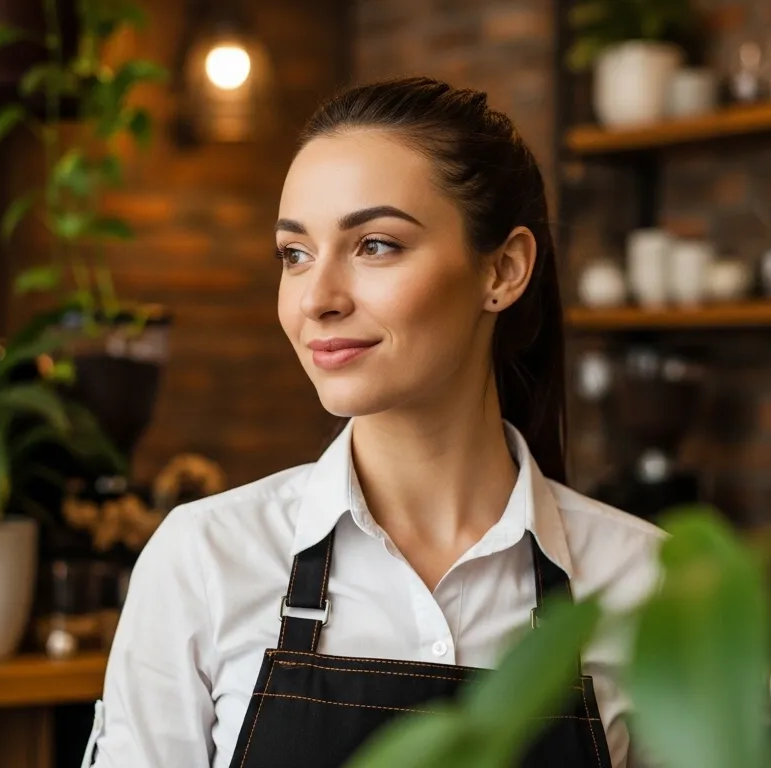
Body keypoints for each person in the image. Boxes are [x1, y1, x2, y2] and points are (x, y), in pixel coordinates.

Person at [85, 76, 664, 768]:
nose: (317, 299)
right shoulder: (204, 562)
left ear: (503, 271)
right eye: (295, 255)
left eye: (376, 245)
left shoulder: (645, 585)